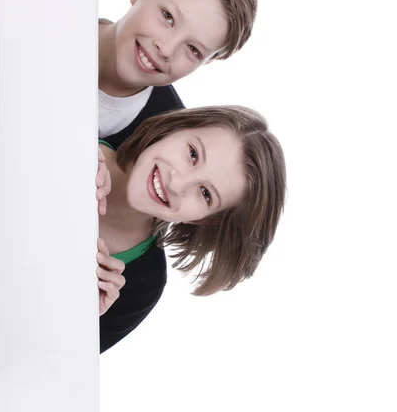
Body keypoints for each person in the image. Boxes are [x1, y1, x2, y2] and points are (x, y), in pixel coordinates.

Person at [97, 105, 286, 354]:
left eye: (206, 194)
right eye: (193, 154)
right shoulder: (85, 124)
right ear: (174, 129)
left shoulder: (140, 287)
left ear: (204, 219)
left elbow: (51, 375)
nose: (177, 183)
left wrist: (76, 318)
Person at [98, 0, 258, 150]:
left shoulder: (168, 138)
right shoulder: (54, 20)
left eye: (193, 49)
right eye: (168, 17)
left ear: (206, 62)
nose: (166, 49)